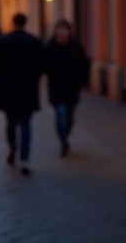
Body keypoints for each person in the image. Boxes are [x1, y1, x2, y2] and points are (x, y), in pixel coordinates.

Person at [0, 13, 42, 175]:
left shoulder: (3, 42)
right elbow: (41, 66)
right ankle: (24, 159)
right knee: (26, 125)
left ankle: (13, 147)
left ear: (13, 23)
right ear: (26, 23)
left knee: (11, 123)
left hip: (8, 90)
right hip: (28, 91)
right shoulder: (34, 42)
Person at [44, 19, 90, 157]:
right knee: (60, 114)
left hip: (72, 88)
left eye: (65, 30)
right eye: (60, 29)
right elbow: (43, 64)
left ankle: (65, 136)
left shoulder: (76, 47)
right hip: (56, 87)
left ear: (69, 32)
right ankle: (63, 142)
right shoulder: (50, 46)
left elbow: (84, 65)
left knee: (69, 116)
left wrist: (83, 81)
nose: (62, 33)